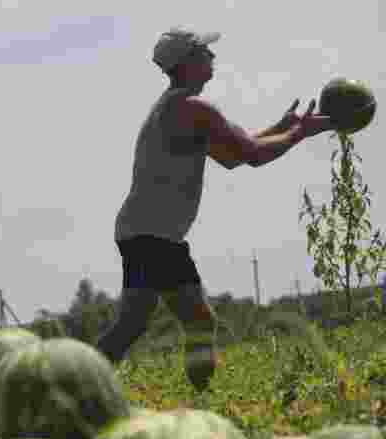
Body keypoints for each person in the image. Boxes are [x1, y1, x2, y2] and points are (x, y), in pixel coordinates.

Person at [95, 27, 333, 387]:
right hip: (152, 234)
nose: (213, 57)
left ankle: (77, 381)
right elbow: (251, 156)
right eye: (205, 51)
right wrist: (299, 133)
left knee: (147, 323)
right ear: (189, 62)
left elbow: (231, 155)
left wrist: (284, 127)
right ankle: (76, 383)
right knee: (186, 322)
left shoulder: (178, 108)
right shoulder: (192, 108)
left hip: (149, 233)